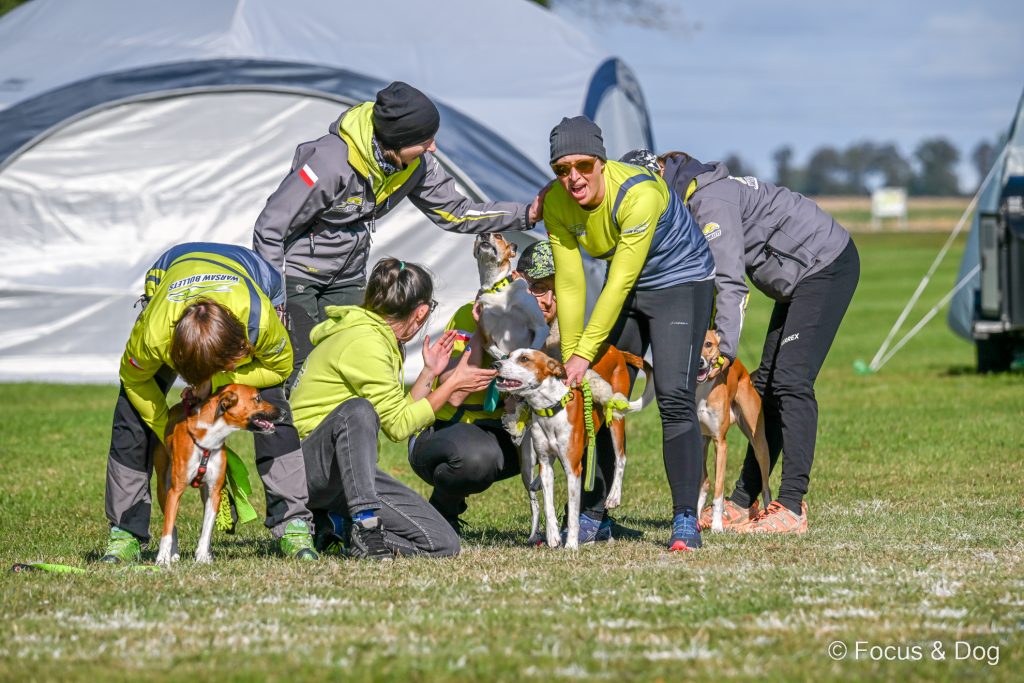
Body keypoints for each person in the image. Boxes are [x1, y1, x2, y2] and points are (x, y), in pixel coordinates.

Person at [620, 149, 860, 533]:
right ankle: (743, 501)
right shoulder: (687, 201)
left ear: (658, 179)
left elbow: (729, 283)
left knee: (791, 381)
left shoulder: (708, 202)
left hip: (826, 264)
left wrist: (723, 354)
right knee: (765, 382)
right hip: (797, 283)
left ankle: (792, 507)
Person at [253, 81, 540, 387]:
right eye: (426, 140)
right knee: (299, 373)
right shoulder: (329, 162)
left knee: (353, 367)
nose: (433, 148)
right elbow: (270, 226)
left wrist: (527, 215)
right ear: (399, 140)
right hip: (297, 277)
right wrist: (275, 299)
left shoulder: (417, 165)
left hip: (347, 278)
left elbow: (456, 212)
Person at [540, 117, 717, 551]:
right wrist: (572, 358)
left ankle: (684, 521)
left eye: (582, 165)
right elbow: (571, 283)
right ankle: (593, 513)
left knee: (675, 396)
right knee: (594, 393)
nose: (573, 178)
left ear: (601, 162)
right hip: (629, 285)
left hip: (681, 282)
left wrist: (583, 354)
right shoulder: (557, 204)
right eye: (562, 170)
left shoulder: (637, 194)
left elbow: (618, 282)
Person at [100, 242, 318, 564]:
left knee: (270, 406)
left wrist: (216, 383)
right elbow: (133, 379)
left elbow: (280, 367)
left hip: (256, 277)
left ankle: (293, 524)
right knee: (131, 414)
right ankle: (125, 531)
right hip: (169, 270)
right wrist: (170, 432)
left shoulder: (258, 321)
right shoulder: (153, 336)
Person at [408, 240, 623, 543]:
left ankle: (590, 517)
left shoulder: (564, 338)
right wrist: (483, 335)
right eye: (536, 287)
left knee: (588, 416)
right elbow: (453, 393)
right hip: (455, 428)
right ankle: (442, 512)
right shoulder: (476, 314)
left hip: (512, 435)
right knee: (475, 458)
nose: (547, 300)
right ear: (518, 282)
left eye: (556, 289)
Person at [289, 258, 495, 560]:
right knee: (357, 410)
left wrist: (428, 374)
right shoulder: (365, 342)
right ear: (421, 312)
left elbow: (397, 419)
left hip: (342, 471)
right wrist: (451, 385)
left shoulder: (373, 336)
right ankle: (365, 525)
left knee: (442, 544)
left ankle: (340, 528)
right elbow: (398, 426)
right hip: (308, 471)